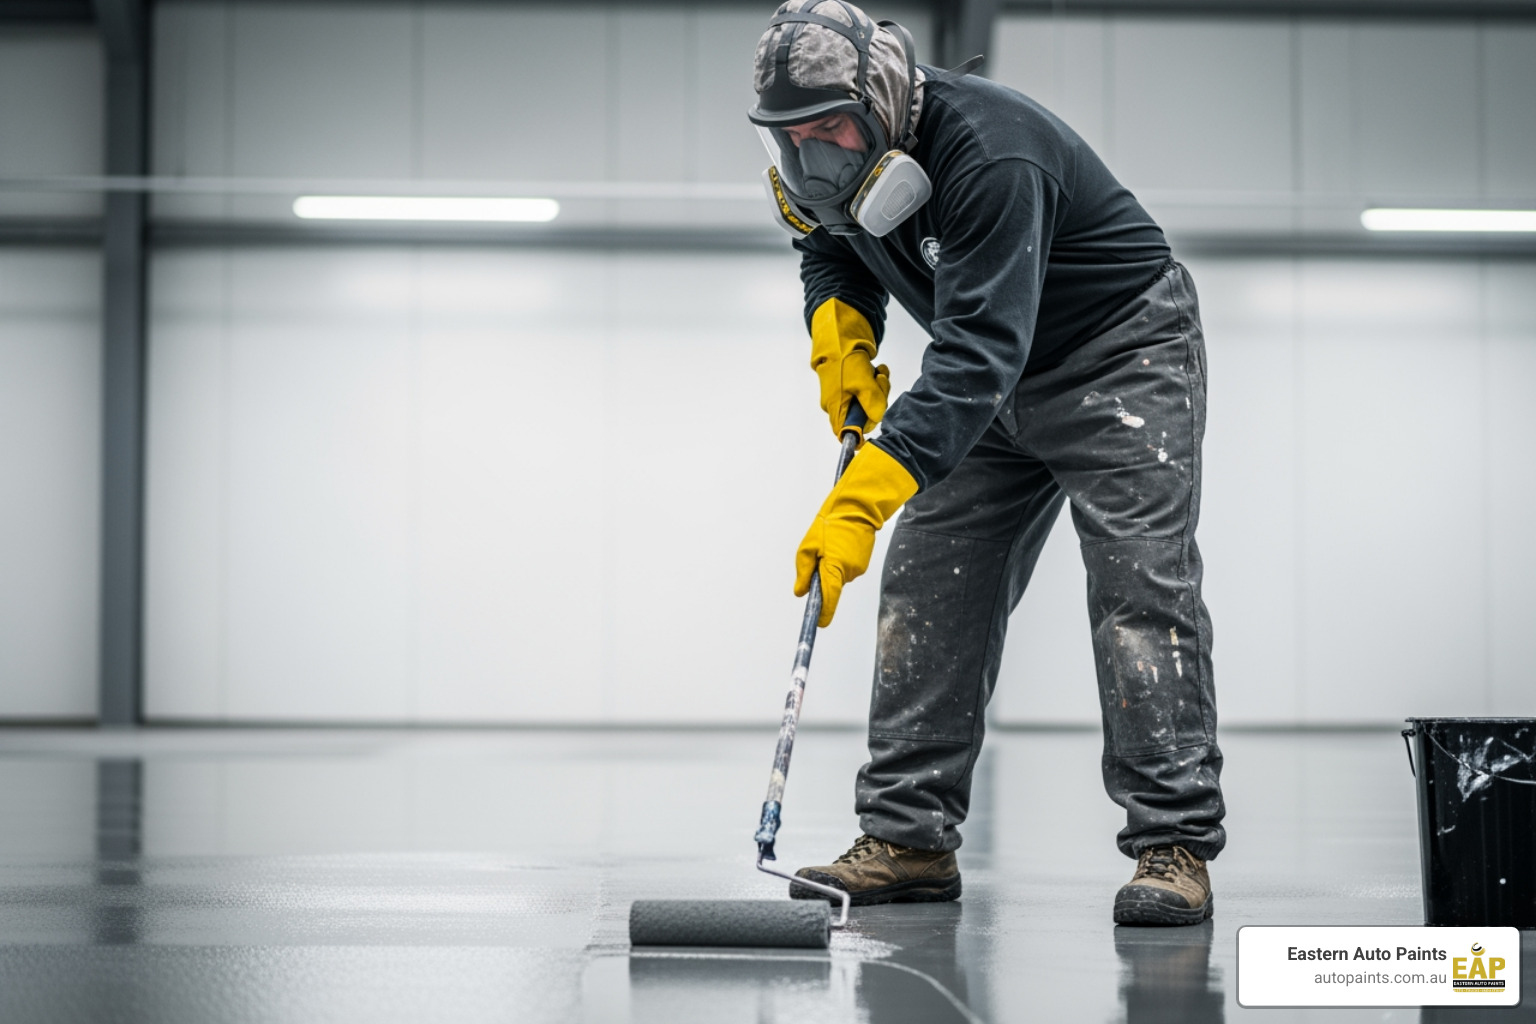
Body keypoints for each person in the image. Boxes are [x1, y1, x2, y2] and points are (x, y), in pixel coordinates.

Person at [747, 0, 1225, 926]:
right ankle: (909, 838)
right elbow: (834, 250)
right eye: (792, 140)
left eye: (830, 130)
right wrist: (840, 336)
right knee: (930, 583)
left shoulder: (990, 154)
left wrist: (863, 498)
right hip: (992, 373)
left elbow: (975, 357)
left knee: (1139, 588)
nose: (815, 157)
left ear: (880, 101)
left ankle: (1173, 842)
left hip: (1118, 354)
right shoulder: (825, 170)